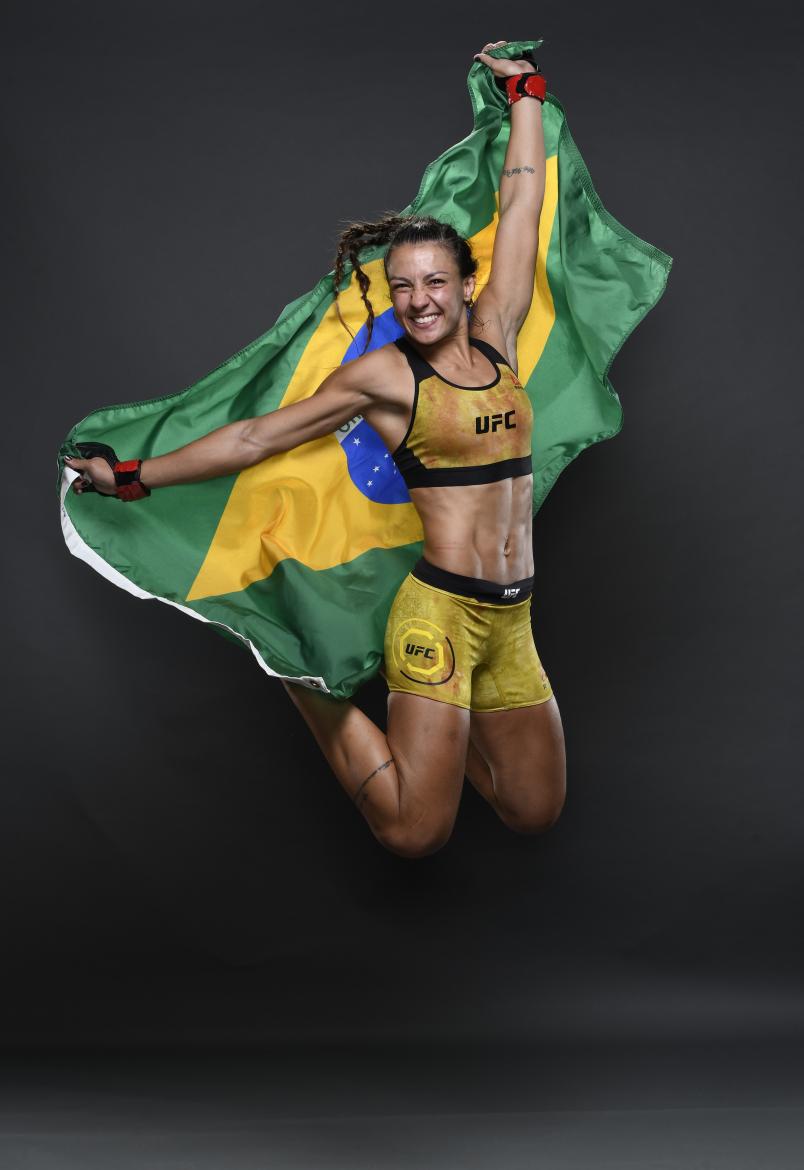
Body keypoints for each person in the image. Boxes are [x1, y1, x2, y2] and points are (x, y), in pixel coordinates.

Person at [64, 40, 566, 859]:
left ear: (465, 284)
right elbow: (260, 435)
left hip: (513, 618)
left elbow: (521, 200)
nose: (419, 300)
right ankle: (300, 678)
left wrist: (527, 98)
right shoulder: (383, 375)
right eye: (402, 286)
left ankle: (440, 730)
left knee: (532, 808)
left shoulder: (500, 330)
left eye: (435, 282)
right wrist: (131, 478)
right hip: (439, 612)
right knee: (414, 830)